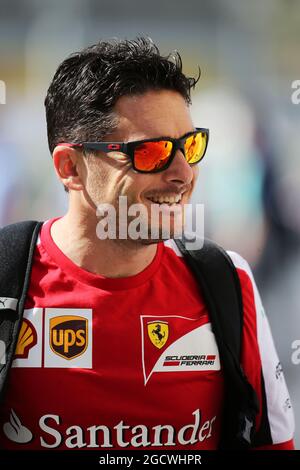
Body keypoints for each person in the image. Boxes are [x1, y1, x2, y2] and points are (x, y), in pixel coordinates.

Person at [0, 37, 295, 450]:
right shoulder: (7, 278)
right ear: (71, 168)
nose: (183, 173)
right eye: (152, 152)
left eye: (190, 146)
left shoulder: (228, 281)